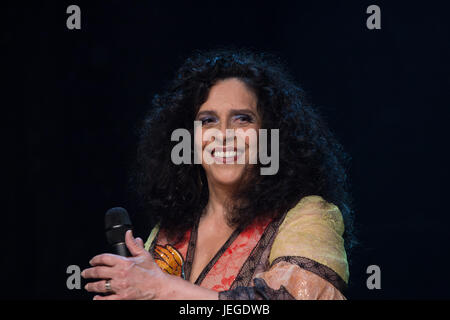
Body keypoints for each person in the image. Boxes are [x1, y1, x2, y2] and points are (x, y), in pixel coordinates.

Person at [82, 49, 356, 300]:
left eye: (243, 118)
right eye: (208, 120)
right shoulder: (170, 232)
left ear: (271, 135)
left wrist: (162, 289)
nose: (224, 135)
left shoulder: (311, 215)